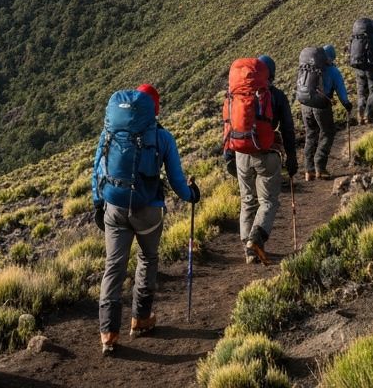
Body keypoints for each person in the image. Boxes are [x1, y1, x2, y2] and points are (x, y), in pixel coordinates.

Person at [93, 83, 199, 355]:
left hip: (114, 206)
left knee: (114, 266)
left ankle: (108, 333)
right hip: (148, 209)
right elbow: (176, 179)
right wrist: (191, 195)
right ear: (155, 108)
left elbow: (98, 170)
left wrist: (98, 204)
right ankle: (140, 320)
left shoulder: (110, 131)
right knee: (148, 259)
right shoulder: (163, 138)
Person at [223, 55, 297, 264]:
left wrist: (227, 153)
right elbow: (288, 129)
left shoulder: (237, 94)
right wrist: (291, 157)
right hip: (266, 153)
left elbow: (228, 124)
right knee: (268, 201)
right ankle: (256, 238)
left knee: (247, 200)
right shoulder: (276, 96)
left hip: (240, 153)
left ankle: (249, 250)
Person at [296, 44, 351, 180]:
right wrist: (347, 104)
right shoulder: (333, 71)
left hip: (305, 105)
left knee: (311, 134)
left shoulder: (307, 68)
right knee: (327, 132)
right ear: (331, 58)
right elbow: (341, 90)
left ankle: (309, 171)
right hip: (321, 105)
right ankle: (320, 167)